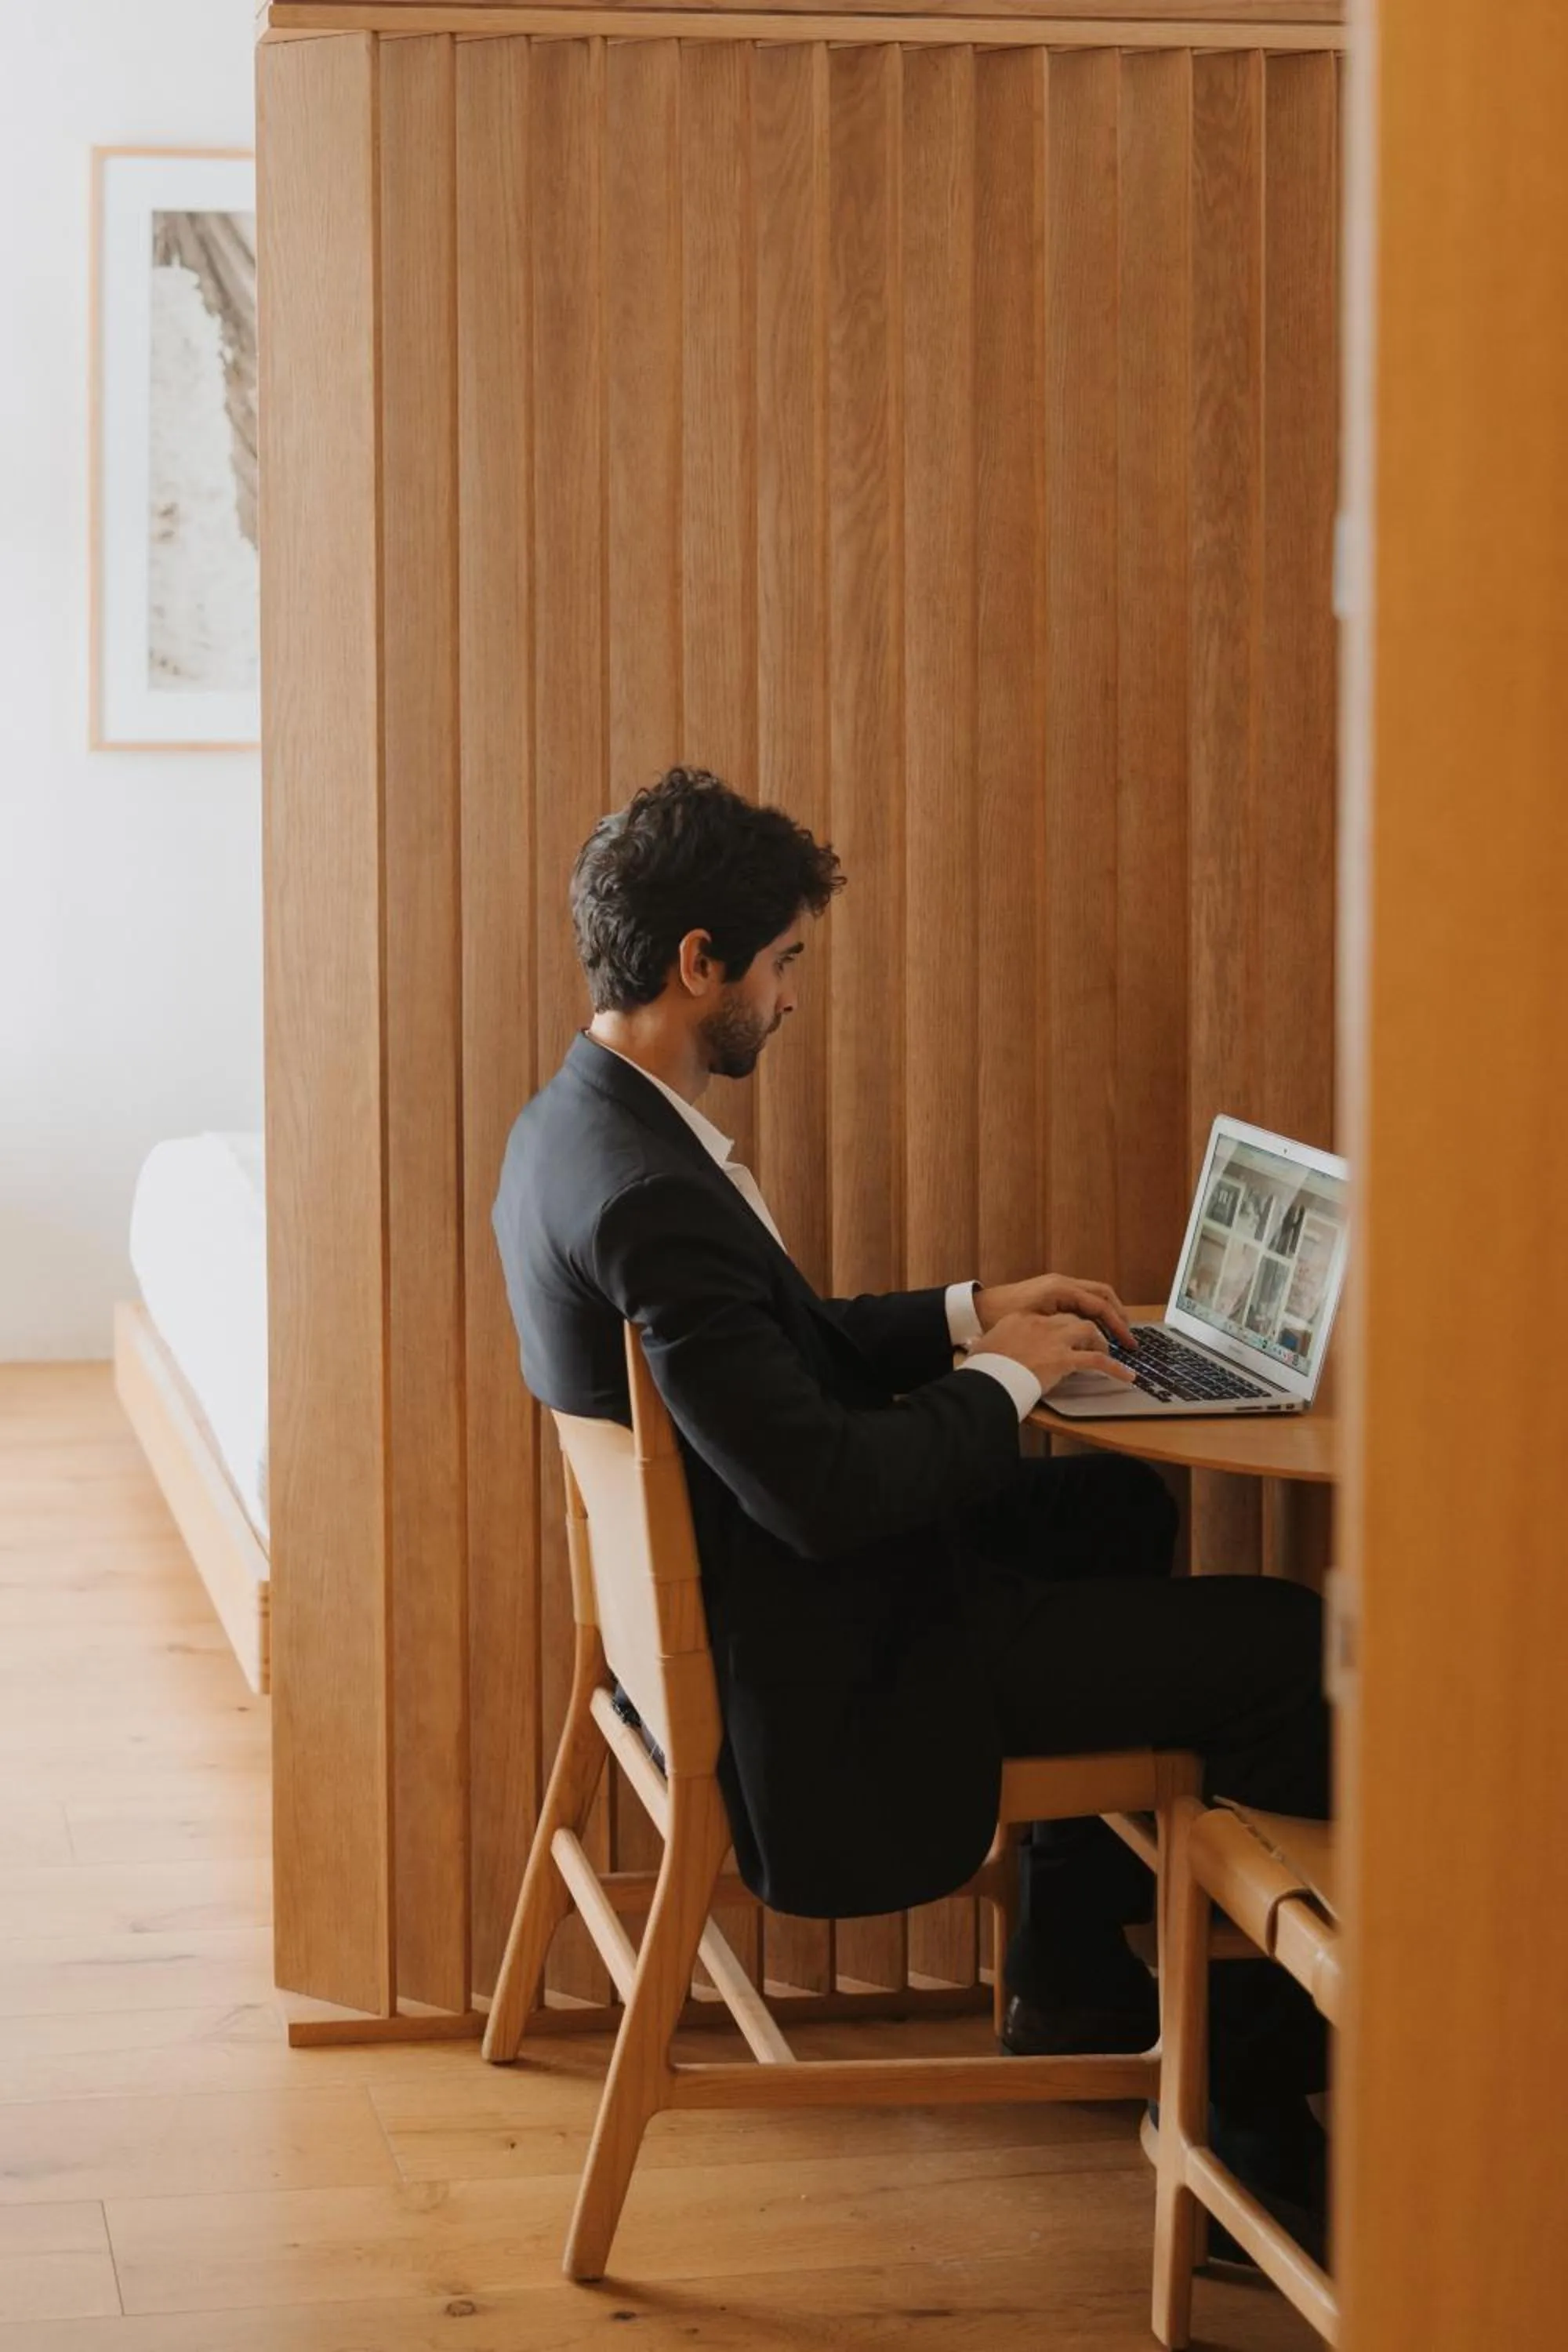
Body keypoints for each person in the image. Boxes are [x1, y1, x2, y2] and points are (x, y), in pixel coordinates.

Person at [493, 768, 1330, 2241]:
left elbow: (770, 1356)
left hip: (763, 1603)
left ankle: (1070, 1986)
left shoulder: (580, 1129)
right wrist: (1004, 1383)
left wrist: (967, 1314)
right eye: (784, 962)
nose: (794, 996)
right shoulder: (648, 1192)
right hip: (827, 1663)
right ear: (703, 965)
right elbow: (817, 1488)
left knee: (1113, 1522)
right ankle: (1251, 2110)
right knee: (1284, 1647)